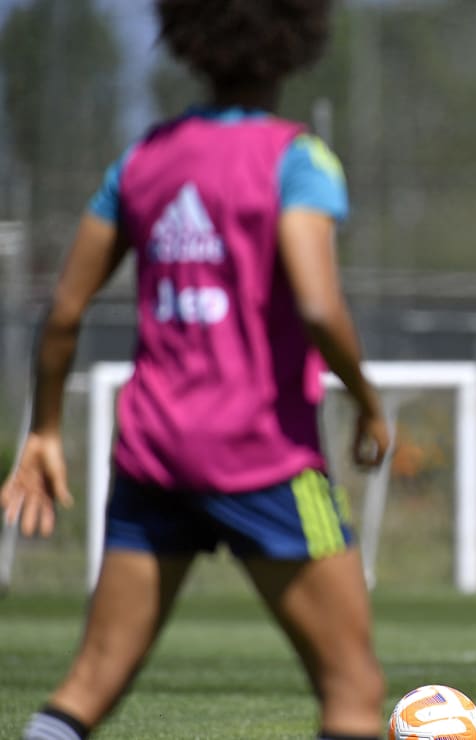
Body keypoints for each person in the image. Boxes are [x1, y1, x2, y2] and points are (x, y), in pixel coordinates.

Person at [0, 2, 390, 739]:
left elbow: (62, 311)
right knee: (353, 688)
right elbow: (316, 304)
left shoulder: (143, 160)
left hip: (153, 457)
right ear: (296, 41)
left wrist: (45, 430)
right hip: (265, 455)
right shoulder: (296, 158)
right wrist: (368, 402)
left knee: (88, 685)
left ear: (189, 39)